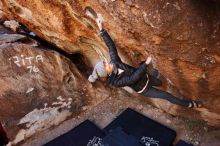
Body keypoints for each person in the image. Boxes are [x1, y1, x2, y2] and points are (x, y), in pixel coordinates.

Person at [87, 10, 201, 108]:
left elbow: (111, 47)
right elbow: (132, 78)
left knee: (160, 82)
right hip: (145, 89)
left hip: (146, 77)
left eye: (105, 62)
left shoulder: (114, 63)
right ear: (106, 73)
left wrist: (102, 30)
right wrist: (145, 64)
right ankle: (189, 104)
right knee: (166, 96)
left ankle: (161, 82)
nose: (108, 63)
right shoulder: (115, 82)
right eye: (106, 65)